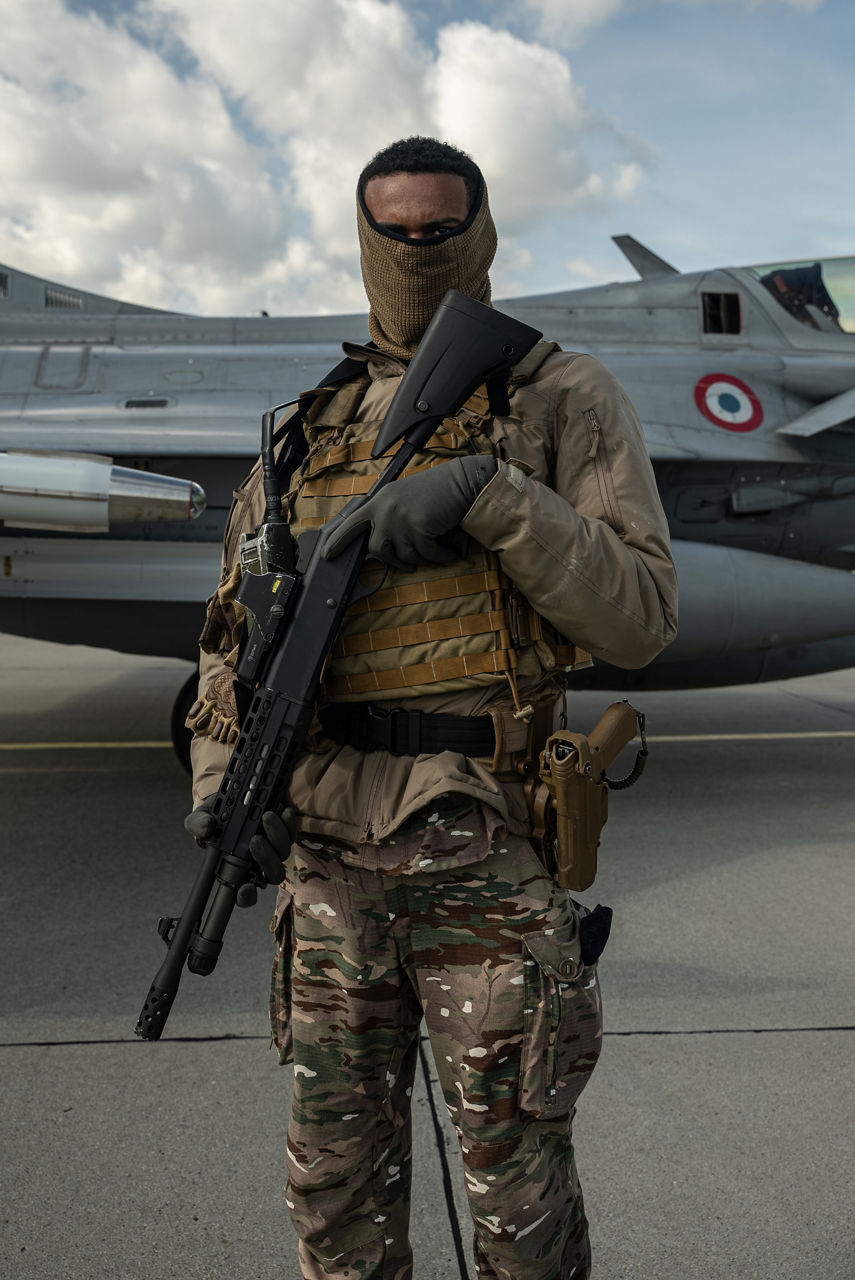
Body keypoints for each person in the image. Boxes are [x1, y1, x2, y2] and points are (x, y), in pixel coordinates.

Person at [185, 136, 678, 1280]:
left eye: (441, 229)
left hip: (484, 852)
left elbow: (642, 615)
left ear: (484, 232)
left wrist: (493, 494)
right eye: (395, 231)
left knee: (518, 1200)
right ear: (363, 240)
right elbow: (229, 644)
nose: (418, 251)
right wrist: (222, 791)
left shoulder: (561, 395)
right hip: (323, 866)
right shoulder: (302, 432)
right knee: (332, 1192)